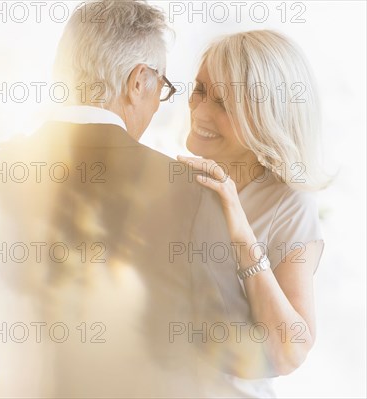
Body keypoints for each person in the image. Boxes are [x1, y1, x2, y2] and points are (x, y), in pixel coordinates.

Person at [0, 1, 272, 397]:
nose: (159, 103)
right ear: (138, 81)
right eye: (163, 86)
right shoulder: (193, 192)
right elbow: (238, 346)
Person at [177, 30, 329, 397]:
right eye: (199, 90)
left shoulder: (289, 203)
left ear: (264, 116)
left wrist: (242, 235)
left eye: (223, 103)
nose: (199, 111)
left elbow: (289, 353)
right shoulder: (180, 182)